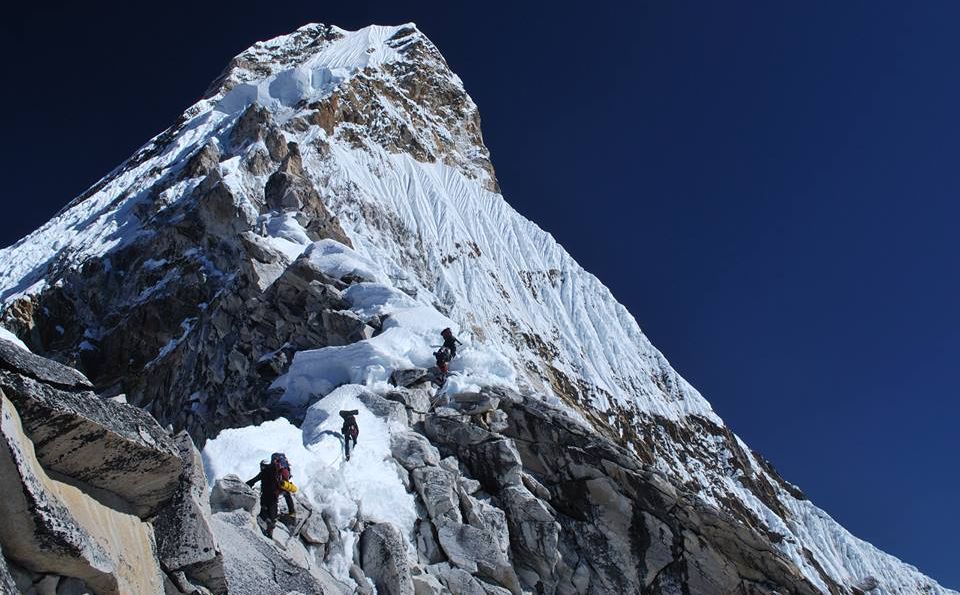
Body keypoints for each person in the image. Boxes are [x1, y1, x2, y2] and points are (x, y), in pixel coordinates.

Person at [246, 453, 296, 538]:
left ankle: (267, 524)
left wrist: (246, 487)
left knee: (262, 511)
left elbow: (252, 481)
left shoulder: (264, 471)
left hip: (265, 496)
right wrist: (292, 512)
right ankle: (270, 530)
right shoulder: (279, 474)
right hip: (274, 497)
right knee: (273, 515)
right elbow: (288, 497)